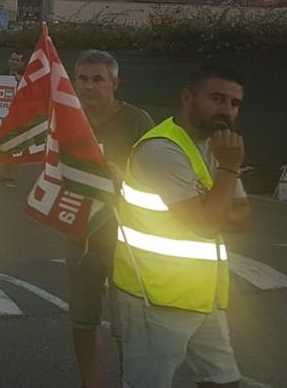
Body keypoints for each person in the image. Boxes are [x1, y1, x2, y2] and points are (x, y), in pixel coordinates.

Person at [113, 64, 249, 388]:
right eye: (217, 98)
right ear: (188, 97)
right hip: (155, 300)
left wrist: (209, 207)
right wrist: (229, 170)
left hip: (203, 298)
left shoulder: (214, 148)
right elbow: (206, 223)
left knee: (224, 381)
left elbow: (243, 217)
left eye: (234, 103)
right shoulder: (161, 149)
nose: (226, 110)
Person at [64, 50, 154, 388]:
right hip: (80, 231)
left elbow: (159, 177)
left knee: (127, 325)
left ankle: (126, 381)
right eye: (83, 79)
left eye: (97, 79)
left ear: (114, 83)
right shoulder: (68, 119)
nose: (89, 86)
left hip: (125, 235)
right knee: (83, 320)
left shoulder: (137, 121)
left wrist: (124, 177)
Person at [0, 51, 27, 188]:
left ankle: (11, 176)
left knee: (14, 148)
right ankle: (2, 175)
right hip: (2, 117)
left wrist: (22, 82)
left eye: (17, 60)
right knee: (1, 147)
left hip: (18, 116)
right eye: (12, 59)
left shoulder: (27, 77)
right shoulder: (2, 75)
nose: (14, 62)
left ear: (22, 63)